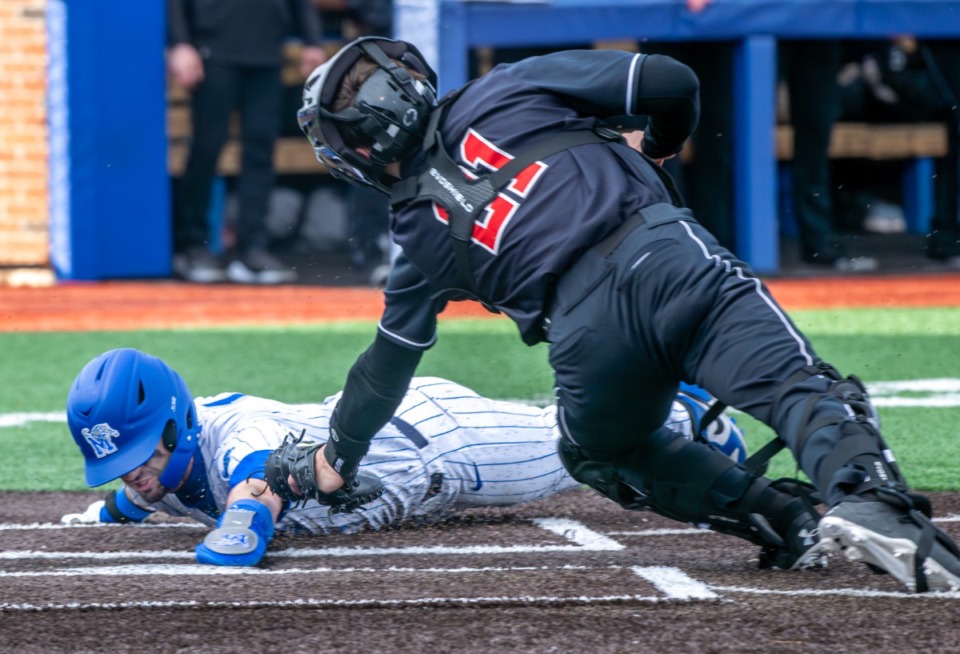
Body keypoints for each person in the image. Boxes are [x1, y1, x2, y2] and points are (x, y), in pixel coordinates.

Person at [284, 36, 960, 592]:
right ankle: (867, 494)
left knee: (599, 450)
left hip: (584, 339)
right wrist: (662, 146)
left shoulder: (415, 237)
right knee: (796, 387)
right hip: (667, 260)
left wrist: (337, 455)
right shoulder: (507, 87)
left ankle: (785, 522)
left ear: (360, 149)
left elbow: (385, 368)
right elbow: (669, 81)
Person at [63, 348, 748, 566]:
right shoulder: (159, 475)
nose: (132, 472)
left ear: (175, 425)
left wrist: (239, 531)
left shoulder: (236, 431)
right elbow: (144, 493)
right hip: (410, 463)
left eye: (137, 453)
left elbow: (253, 495)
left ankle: (686, 409)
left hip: (443, 445)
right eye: (117, 462)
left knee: (582, 446)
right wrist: (112, 510)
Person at [167, 0, 328, 284]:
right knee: (207, 148)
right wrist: (180, 43)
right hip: (212, 49)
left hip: (266, 50)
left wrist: (312, 40)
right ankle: (192, 246)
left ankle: (252, 248)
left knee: (261, 152)